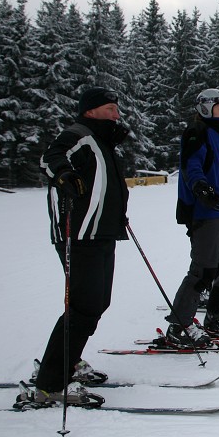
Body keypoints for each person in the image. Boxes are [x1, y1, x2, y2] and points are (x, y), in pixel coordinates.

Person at [24, 86, 130, 405]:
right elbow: (50, 158)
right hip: (78, 232)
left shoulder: (103, 142)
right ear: (91, 111)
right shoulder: (80, 134)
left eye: (117, 108)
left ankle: (67, 363)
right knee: (83, 306)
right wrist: (64, 175)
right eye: (110, 108)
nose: (117, 113)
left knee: (97, 304)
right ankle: (51, 384)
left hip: (103, 232)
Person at [168, 88, 219, 345]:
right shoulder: (198, 132)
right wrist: (201, 187)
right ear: (205, 107)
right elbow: (191, 166)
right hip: (205, 211)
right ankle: (179, 327)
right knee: (203, 270)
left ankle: (216, 317)